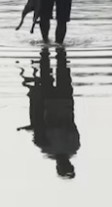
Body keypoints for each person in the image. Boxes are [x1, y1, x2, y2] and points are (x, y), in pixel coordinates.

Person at [17, 47, 80, 179]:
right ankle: (50, 51)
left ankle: (47, 51)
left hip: (55, 102)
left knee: (51, 69)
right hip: (60, 102)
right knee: (56, 68)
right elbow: (71, 125)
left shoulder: (66, 147)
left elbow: (37, 122)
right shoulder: (56, 147)